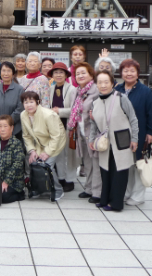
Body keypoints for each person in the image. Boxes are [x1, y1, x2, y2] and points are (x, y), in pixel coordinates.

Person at [89, 71, 139, 212]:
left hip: (121, 140)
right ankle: (105, 199)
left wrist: (134, 139)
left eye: (106, 82)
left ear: (112, 83)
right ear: (96, 84)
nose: (103, 85)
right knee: (105, 171)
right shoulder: (95, 102)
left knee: (119, 173)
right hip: (104, 142)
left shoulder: (121, 98)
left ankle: (116, 203)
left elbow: (133, 119)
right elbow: (93, 123)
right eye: (100, 82)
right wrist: (91, 139)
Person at [115, 58, 152, 206]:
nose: (129, 74)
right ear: (121, 73)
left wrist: (151, 132)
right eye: (125, 71)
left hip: (140, 132)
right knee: (126, 164)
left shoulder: (145, 91)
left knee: (139, 163)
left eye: (132, 71)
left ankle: (138, 195)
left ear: (138, 73)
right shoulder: (117, 90)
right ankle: (126, 192)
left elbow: (151, 113)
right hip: (121, 133)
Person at [20, 91, 66, 199]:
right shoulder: (23, 115)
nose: (29, 105)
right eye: (26, 102)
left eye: (31, 101)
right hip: (40, 143)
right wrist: (32, 151)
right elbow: (26, 136)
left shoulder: (48, 115)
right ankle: (39, 189)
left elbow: (56, 136)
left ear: (38, 102)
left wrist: (47, 153)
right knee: (34, 163)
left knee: (47, 165)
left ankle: (58, 190)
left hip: (56, 142)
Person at [68, 62, 101, 203]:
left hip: (93, 132)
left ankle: (97, 192)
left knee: (96, 162)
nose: (80, 76)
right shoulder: (77, 91)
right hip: (81, 131)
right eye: (77, 74)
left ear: (91, 75)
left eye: (83, 73)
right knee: (87, 162)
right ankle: (88, 188)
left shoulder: (96, 90)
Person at [50, 62, 77, 192]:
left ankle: (70, 180)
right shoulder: (50, 89)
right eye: (56, 72)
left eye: (61, 72)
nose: (58, 75)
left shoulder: (72, 89)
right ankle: (61, 178)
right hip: (55, 127)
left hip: (68, 126)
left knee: (69, 155)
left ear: (66, 75)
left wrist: (59, 111)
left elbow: (75, 109)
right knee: (59, 153)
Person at [0, 115, 26, 203]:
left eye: (5, 126)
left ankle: (20, 194)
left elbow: (17, 165)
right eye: (0, 126)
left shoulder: (16, 144)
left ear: (12, 128)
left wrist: (6, 182)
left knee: (3, 197)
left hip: (13, 183)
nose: (2, 129)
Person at [0, 61, 24, 138]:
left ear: (13, 73)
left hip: (15, 129)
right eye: (3, 70)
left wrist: (8, 123)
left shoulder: (19, 89)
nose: (6, 73)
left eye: (9, 71)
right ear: (0, 73)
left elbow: (20, 108)